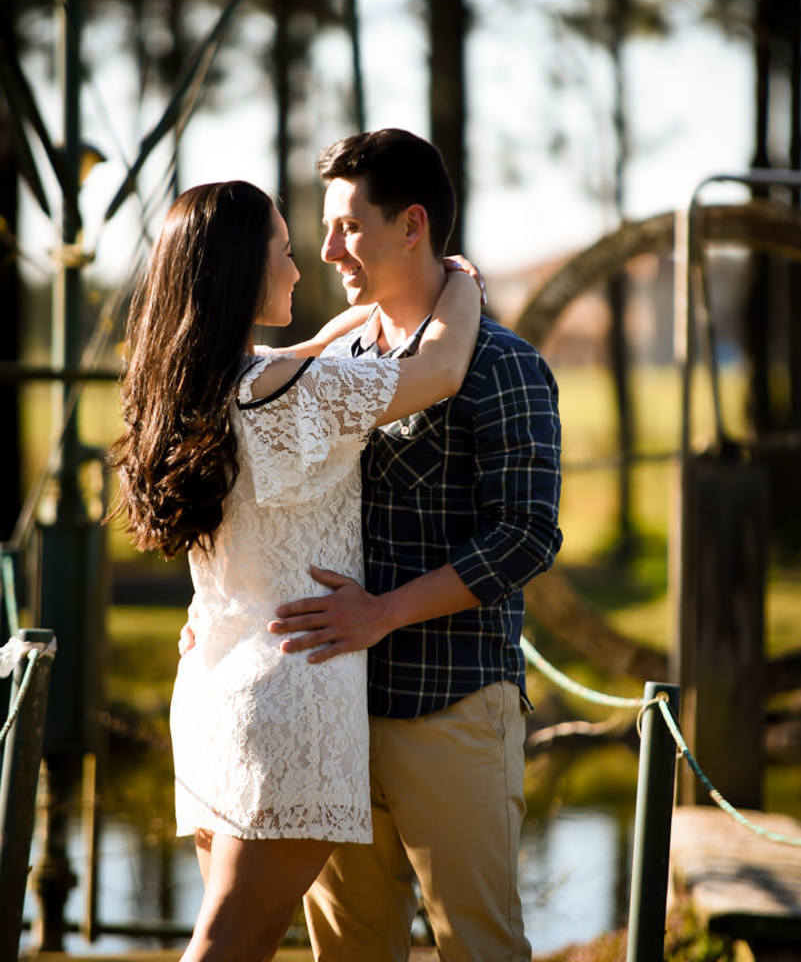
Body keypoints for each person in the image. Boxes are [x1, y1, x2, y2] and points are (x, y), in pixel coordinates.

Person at [108, 179, 481, 962]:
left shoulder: (204, 385)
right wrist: (460, 284)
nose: (298, 268)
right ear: (242, 271)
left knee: (231, 936)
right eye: (282, 251)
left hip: (215, 686)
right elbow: (442, 368)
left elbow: (316, 346)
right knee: (228, 945)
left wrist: (371, 314)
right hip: (288, 699)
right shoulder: (282, 392)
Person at [268, 128, 563, 962]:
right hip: (332, 709)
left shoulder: (503, 366)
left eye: (348, 227)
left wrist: (382, 613)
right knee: (348, 952)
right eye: (325, 229)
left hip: (453, 707)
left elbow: (526, 537)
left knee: (479, 946)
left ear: (412, 225)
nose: (328, 249)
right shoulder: (334, 362)